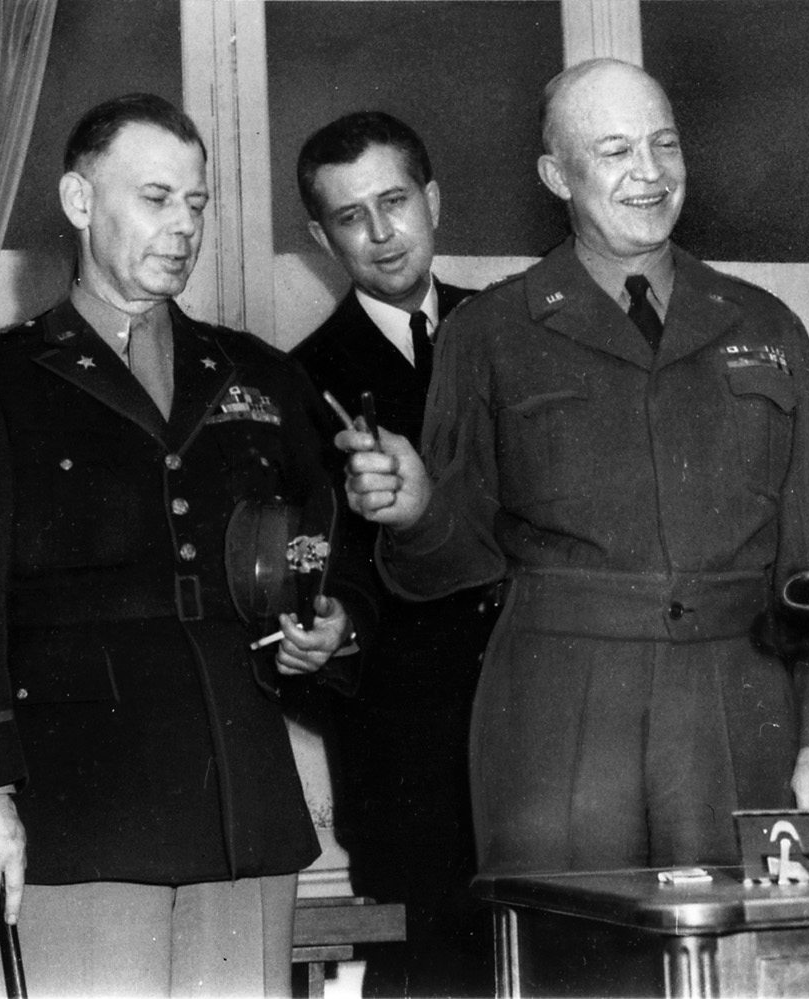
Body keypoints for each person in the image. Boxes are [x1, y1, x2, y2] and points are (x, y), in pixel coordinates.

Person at [0, 93, 376, 997]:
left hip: (239, 799)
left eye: (197, 204)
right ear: (79, 202)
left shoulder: (260, 375)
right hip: (80, 808)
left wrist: (338, 622)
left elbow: (334, 545)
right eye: (156, 198)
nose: (184, 225)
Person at [341, 58, 809, 877]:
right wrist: (412, 511)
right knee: (573, 963)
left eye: (664, 144)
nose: (649, 173)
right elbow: (450, 561)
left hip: (741, 701)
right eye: (615, 150)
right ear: (557, 174)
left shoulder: (765, 323)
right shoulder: (490, 333)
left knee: (749, 961)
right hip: (560, 711)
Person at [291, 110, 498, 997]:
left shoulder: (516, 331)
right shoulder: (297, 380)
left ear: (433, 200)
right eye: (349, 216)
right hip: (406, 752)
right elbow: (315, 585)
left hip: (539, 722)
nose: (379, 234)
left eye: (394, 201)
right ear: (318, 236)